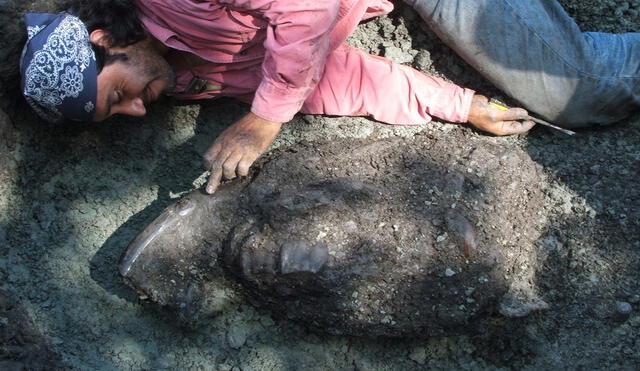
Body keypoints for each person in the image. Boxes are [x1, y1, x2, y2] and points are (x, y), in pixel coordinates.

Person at [19, 0, 639, 195]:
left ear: (104, 41)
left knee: (580, 91)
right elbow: (336, 77)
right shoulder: (182, 78)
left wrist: (264, 117)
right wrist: (463, 105)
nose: (138, 110)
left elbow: (305, 9)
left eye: (119, 94)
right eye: (118, 116)